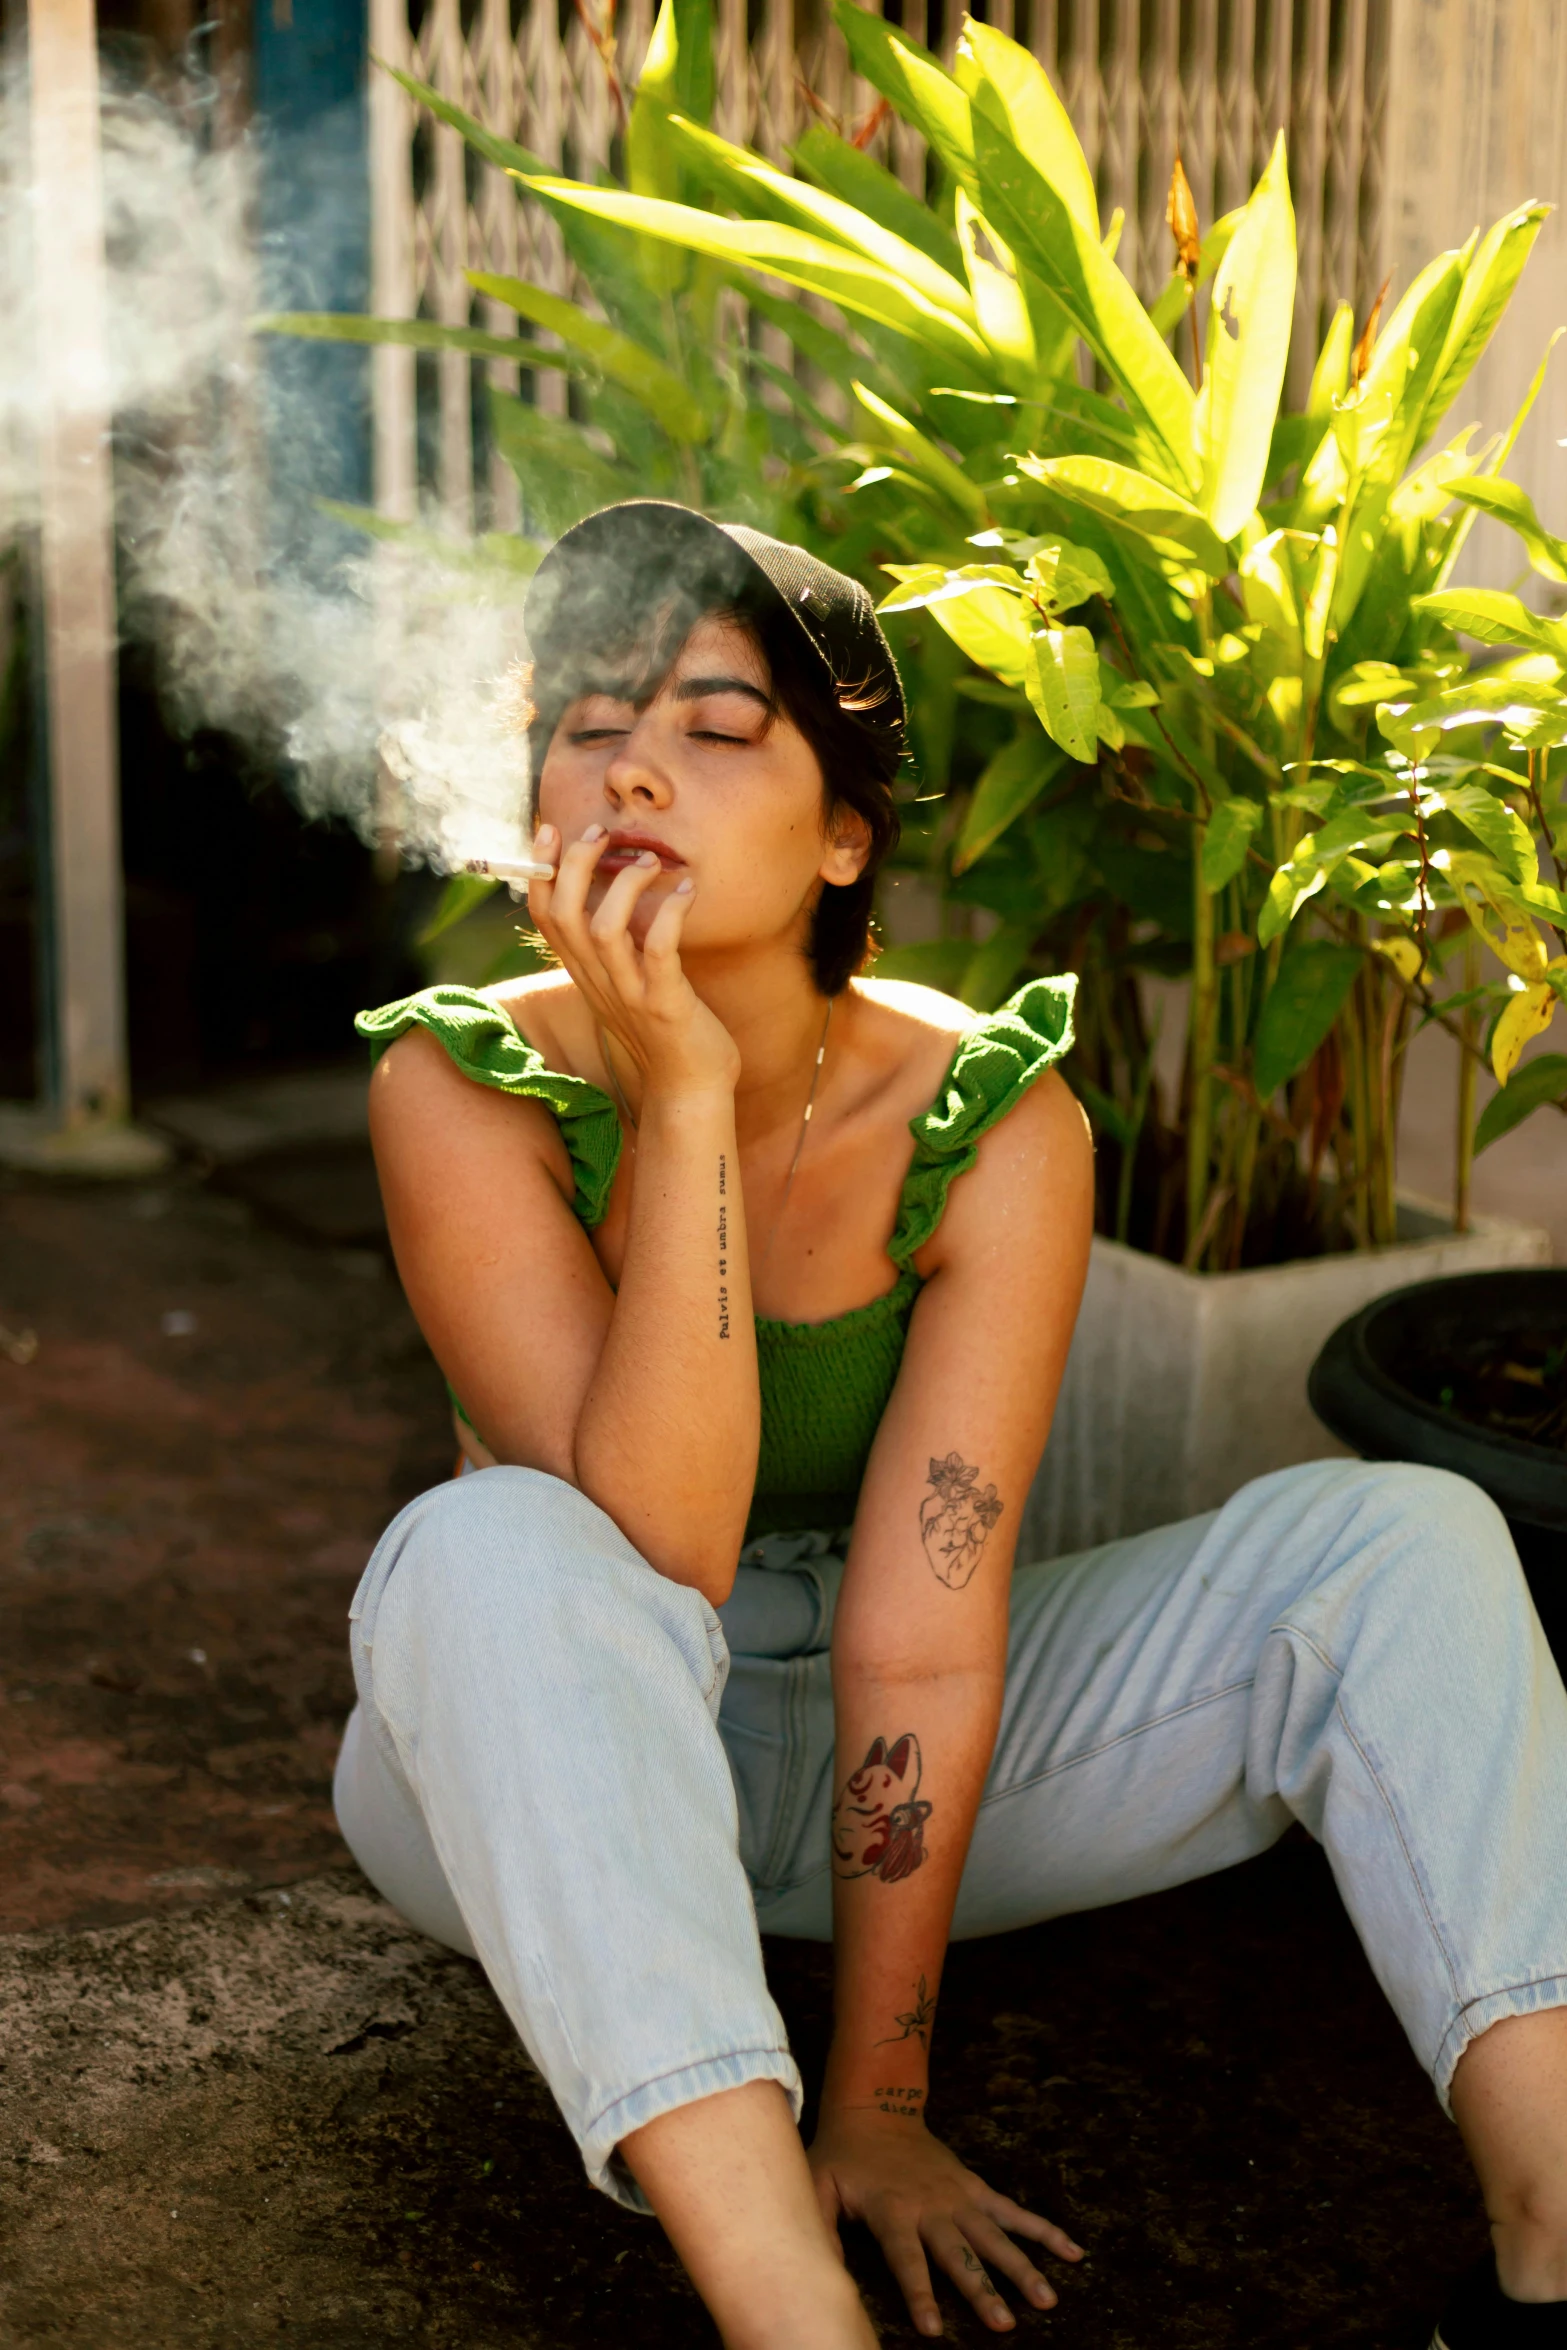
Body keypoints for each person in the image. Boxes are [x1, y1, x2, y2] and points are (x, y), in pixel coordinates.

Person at [335, 500, 1567, 2350]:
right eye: (586, 729)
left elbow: (921, 1631)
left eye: (713, 723)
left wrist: (883, 2101)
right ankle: (787, 2312)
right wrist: (679, 1104)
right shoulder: (461, 1080)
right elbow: (649, 1554)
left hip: (890, 1751)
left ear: (844, 832)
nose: (634, 768)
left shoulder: (988, 1118)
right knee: (490, 1540)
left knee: (1406, 1539)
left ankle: (1553, 2233)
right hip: (546, 1763)